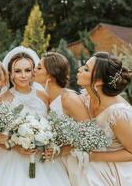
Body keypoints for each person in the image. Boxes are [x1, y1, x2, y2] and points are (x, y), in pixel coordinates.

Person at [74, 51, 132, 186]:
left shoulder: (117, 113)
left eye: (86, 69)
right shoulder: (88, 95)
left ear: (98, 81)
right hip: (116, 148)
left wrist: (93, 156)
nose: (79, 70)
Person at [0, 51, 71, 186]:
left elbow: (52, 125)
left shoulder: (44, 96)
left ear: (33, 72)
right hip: (13, 158)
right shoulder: (3, 100)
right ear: (11, 74)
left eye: (28, 70)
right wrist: (16, 147)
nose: (23, 75)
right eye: (18, 71)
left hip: (42, 158)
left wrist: (46, 142)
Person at [34, 52, 90, 185]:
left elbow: (89, 133)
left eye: (39, 67)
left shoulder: (68, 99)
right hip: (55, 163)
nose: (34, 70)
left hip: (75, 163)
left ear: (50, 75)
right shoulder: (44, 98)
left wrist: (61, 150)